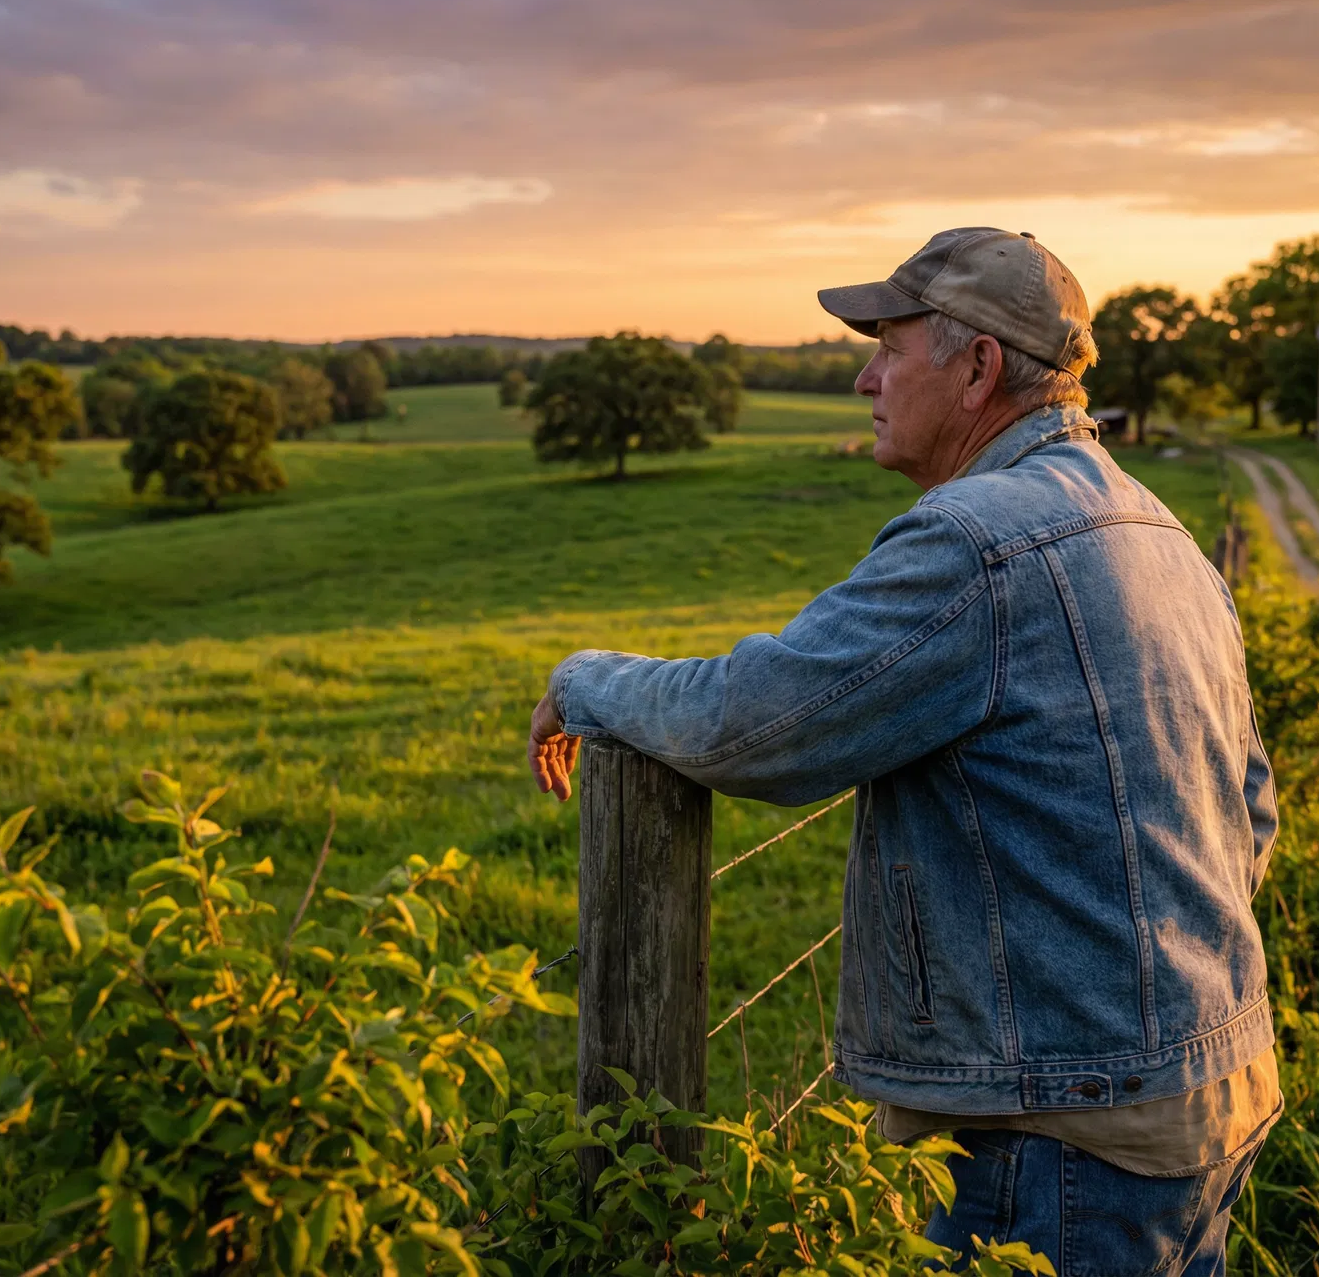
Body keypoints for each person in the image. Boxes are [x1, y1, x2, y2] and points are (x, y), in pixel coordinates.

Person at [526, 227, 1280, 1275]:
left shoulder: (977, 538)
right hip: (1212, 1082)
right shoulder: (1159, 532)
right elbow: (1251, 804)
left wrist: (584, 681)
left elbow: (761, 721)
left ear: (977, 368)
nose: (863, 374)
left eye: (891, 344)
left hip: (1066, 1129)